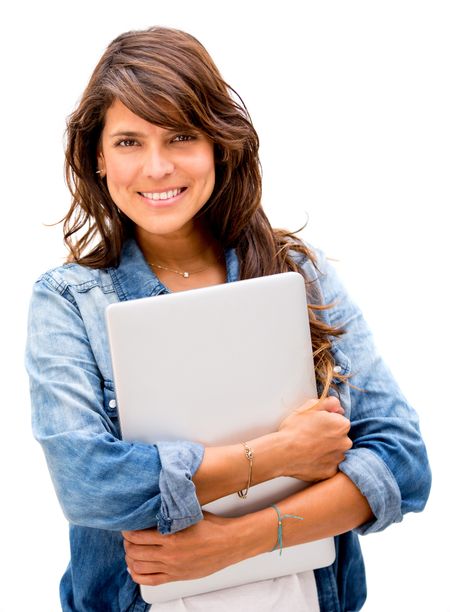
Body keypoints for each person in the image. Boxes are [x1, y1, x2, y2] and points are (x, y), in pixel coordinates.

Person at [25, 26, 431, 612]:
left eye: (181, 136)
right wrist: (280, 455)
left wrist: (236, 541)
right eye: (130, 142)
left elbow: (402, 460)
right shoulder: (69, 301)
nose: (157, 168)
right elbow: (90, 484)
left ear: (219, 143)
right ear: (98, 156)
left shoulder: (296, 275)